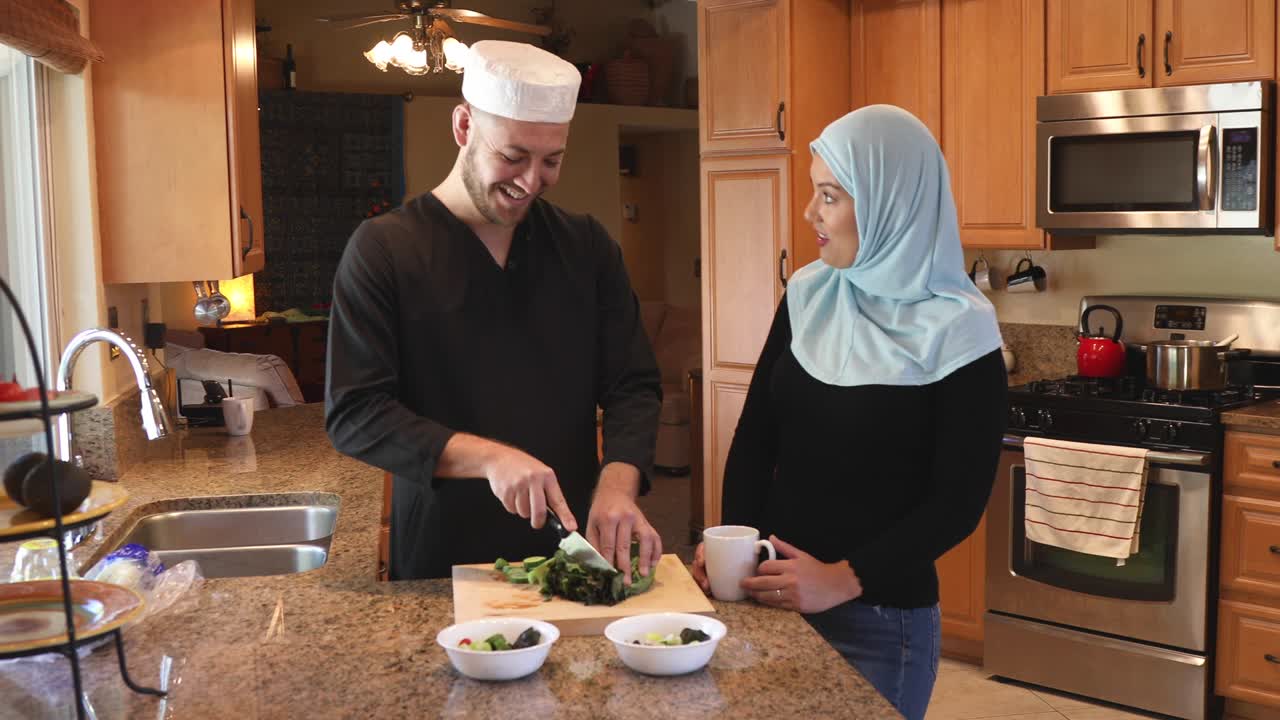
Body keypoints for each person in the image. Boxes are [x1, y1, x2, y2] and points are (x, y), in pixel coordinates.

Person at [691, 105, 1008, 719]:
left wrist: (841, 578)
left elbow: (958, 503)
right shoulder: (809, 294)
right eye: (816, 192)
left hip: (881, 622)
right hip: (770, 600)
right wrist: (737, 548)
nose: (810, 213)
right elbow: (757, 438)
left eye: (830, 196)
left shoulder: (962, 329)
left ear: (891, 203)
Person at [326, 41, 664, 581]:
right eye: (512, 156)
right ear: (463, 126)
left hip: (570, 549)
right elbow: (356, 414)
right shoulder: (384, 250)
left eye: (551, 160)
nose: (531, 181)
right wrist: (491, 459)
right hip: (443, 557)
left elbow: (633, 385)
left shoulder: (585, 246)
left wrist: (618, 487)